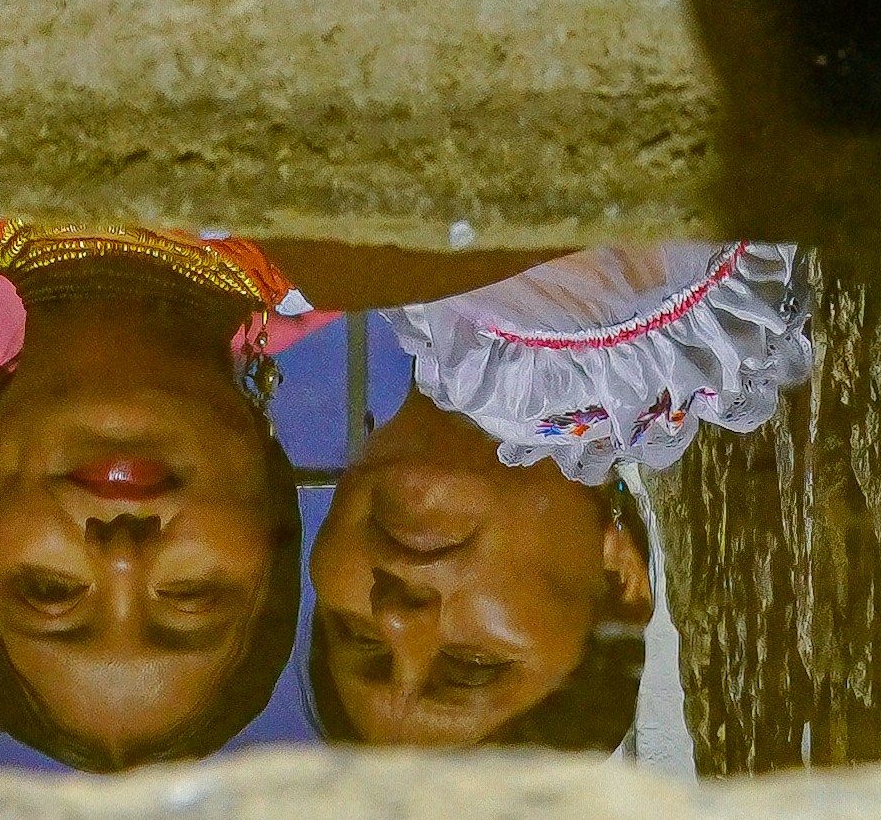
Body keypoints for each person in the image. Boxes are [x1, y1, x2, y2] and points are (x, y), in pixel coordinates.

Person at [308, 244, 809, 749]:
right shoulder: (676, 308)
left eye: (362, 639)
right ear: (616, 578)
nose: (396, 617)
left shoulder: (315, 267)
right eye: (473, 666)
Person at [0, 228, 307, 771]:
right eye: (189, 595)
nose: (120, 553)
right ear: (273, 504)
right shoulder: (413, 255)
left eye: (49, 589)